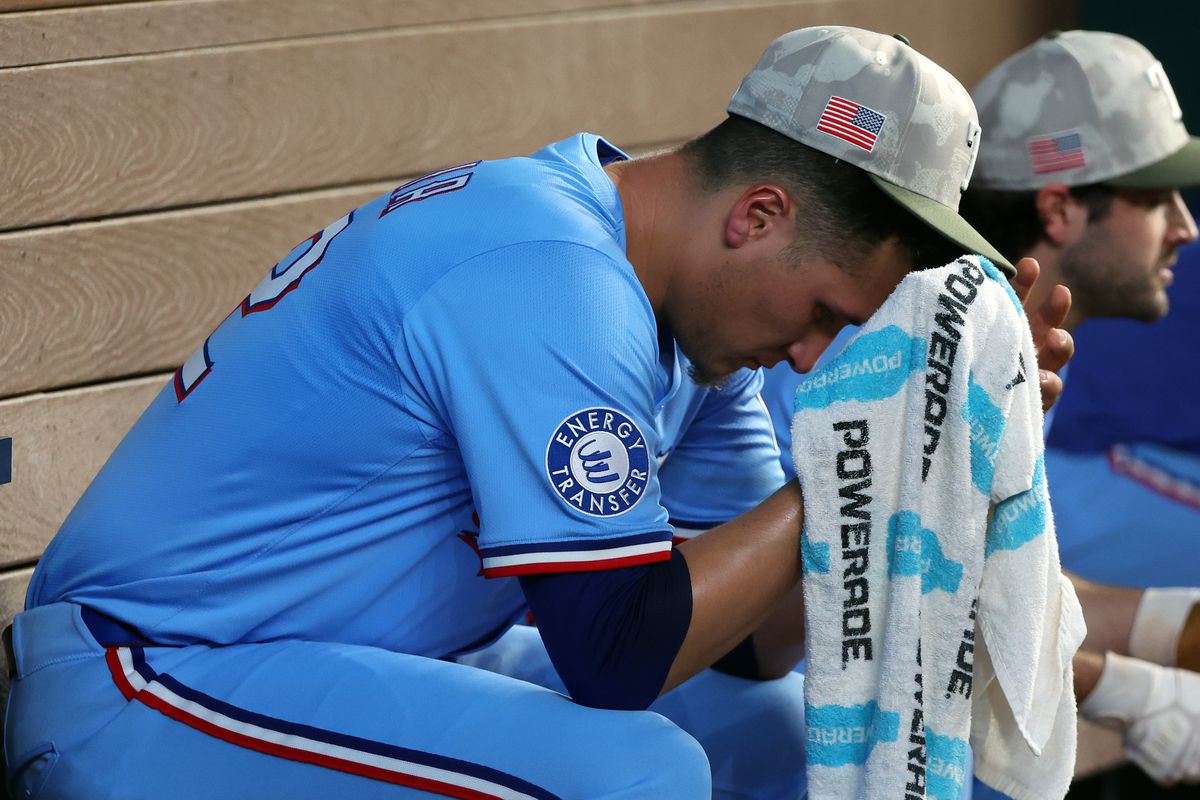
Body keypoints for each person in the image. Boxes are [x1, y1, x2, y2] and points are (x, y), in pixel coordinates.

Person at [3, 27, 1067, 800]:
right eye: (826, 313)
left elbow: (751, 646)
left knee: (774, 733)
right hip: (149, 682)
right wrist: (850, 466)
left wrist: (934, 447)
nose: (809, 354)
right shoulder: (547, 266)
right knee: (634, 773)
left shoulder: (693, 335)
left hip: (358, 665)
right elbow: (620, 651)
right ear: (758, 215)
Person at [961, 30, 1200, 789]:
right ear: (1060, 210)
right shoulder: (960, 343)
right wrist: (1125, 689)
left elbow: (1003, 583)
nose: (1186, 227)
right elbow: (910, 601)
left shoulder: (1023, 328)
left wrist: (1174, 631)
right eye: (1156, 198)